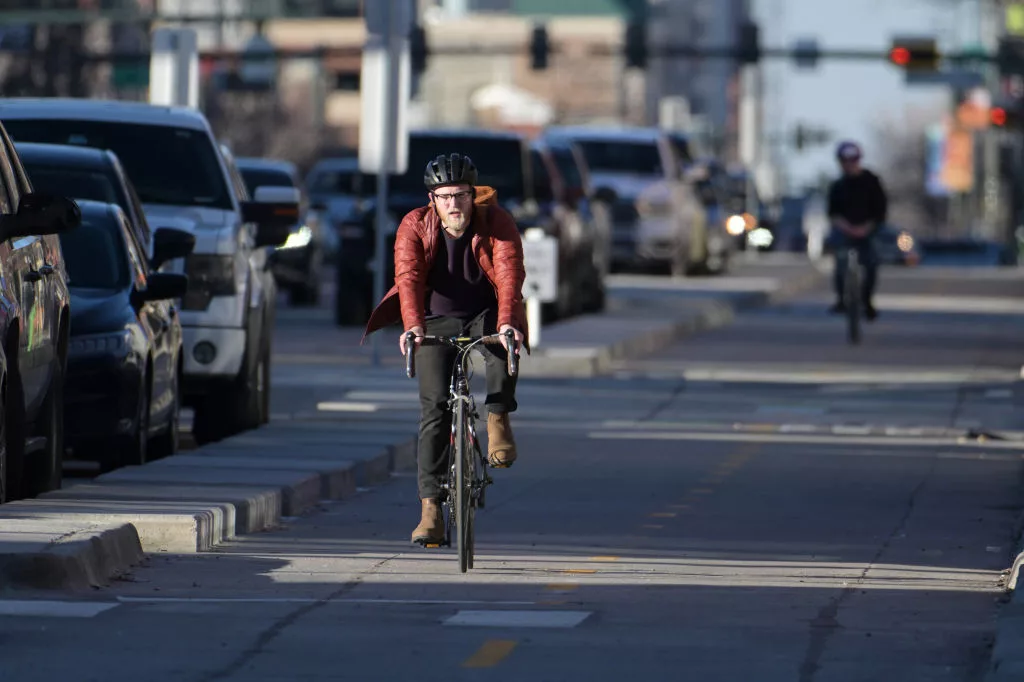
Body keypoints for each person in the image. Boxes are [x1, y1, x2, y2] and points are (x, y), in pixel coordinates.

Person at [363, 152, 527, 545]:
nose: (453, 204)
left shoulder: (497, 222)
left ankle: (498, 420)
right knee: (433, 409)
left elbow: (508, 273)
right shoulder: (414, 225)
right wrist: (413, 326)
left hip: (486, 312)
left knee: (503, 347)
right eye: (444, 196)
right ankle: (431, 509)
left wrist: (507, 321)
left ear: (474, 196)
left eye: (460, 195)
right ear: (432, 200)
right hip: (435, 319)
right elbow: (408, 276)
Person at [826, 141, 888, 320]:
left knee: (871, 263)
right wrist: (846, 228)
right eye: (844, 161)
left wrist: (866, 228)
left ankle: (867, 301)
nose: (848, 165)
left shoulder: (872, 181)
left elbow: (881, 210)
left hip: (868, 230)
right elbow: (832, 213)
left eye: (852, 160)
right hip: (845, 231)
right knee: (840, 263)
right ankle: (841, 300)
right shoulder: (838, 186)